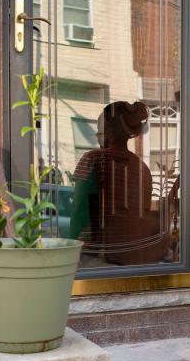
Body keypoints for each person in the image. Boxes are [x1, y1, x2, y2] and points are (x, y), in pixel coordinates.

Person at [70, 100, 174, 265]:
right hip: (130, 259)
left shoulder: (93, 160)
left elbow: (78, 213)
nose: (97, 136)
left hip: (96, 256)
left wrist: (69, 247)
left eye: (99, 131)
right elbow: (140, 216)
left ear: (108, 132)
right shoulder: (142, 168)